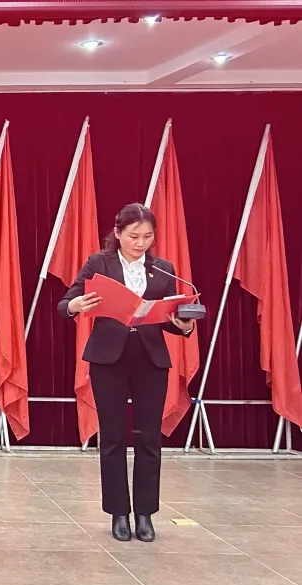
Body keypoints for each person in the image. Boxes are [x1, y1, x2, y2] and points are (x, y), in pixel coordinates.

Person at [59, 203, 195, 543]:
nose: (141, 243)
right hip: (109, 359)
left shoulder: (163, 269)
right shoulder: (99, 263)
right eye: (134, 236)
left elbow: (173, 317)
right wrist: (76, 305)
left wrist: (184, 324)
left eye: (147, 236)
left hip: (150, 359)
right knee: (113, 436)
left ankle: (145, 513)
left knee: (149, 437)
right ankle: (119, 512)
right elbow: (66, 303)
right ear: (117, 233)